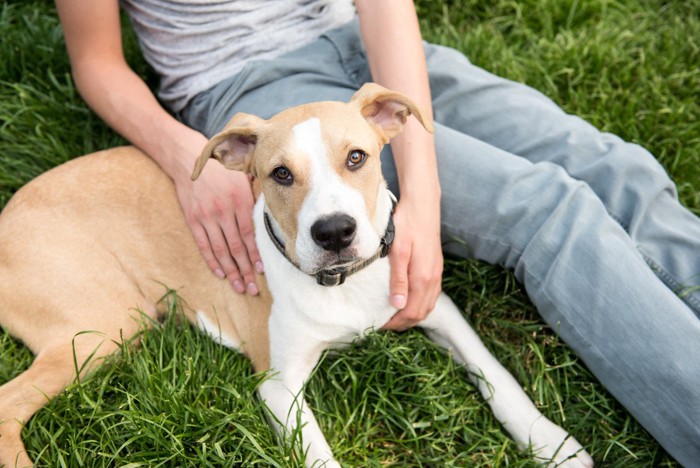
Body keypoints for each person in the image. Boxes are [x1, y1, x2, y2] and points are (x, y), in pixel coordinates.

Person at [54, 0, 700, 464]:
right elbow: (96, 62)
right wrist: (182, 157)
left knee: (621, 171)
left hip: (368, 44)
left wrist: (421, 193)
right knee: (545, 208)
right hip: (249, 80)